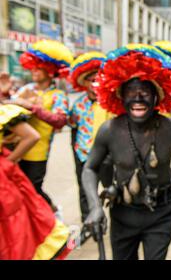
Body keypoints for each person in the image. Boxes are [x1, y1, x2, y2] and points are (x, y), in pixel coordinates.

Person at [82, 44, 171, 260]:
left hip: (161, 213)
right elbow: (90, 168)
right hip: (122, 213)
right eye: (131, 92)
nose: (138, 98)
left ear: (156, 97)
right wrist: (94, 207)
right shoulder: (109, 130)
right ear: (121, 97)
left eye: (145, 92)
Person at [5, 40, 73, 213]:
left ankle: (53, 215)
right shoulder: (26, 89)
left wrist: (33, 108)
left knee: (34, 189)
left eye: (38, 67)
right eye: (33, 67)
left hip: (38, 151)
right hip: (15, 147)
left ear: (49, 71)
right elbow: (7, 108)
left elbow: (60, 121)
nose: (33, 71)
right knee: (18, 189)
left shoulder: (58, 95)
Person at [0, 103, 71, 259]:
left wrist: (6, 164)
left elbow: (32, 136)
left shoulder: (3, 111)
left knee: (13, 231)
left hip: (4, 187)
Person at [68, 51, 114, 243]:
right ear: (84, 83)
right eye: (90, 80)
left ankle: (117, 224)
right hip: (83, 155)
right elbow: (73, 129)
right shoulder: (78, 105)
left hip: (108, 158)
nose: (94, 84)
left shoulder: (111, 103)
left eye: (98, 79)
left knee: (112, 190)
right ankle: (89, 224)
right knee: (85, 191)